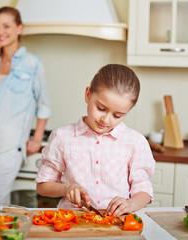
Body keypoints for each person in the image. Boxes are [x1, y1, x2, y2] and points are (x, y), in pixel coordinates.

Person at [35, 64, 155, 217]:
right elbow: (43, 186)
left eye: (117, 116)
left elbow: (144, 191)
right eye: (100, 108)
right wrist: (66, 188)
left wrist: (130, 204)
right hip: (72, 223)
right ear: (87, 95)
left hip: (117, 224)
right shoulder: (62, 137)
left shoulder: (135, 142)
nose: (105, 120)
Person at [0, 6, 51, 204]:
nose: (0, 32)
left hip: (7, 146)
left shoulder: (32, 64)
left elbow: (44, 104)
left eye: (6, 26)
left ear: (19, 28)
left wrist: (37, 138)